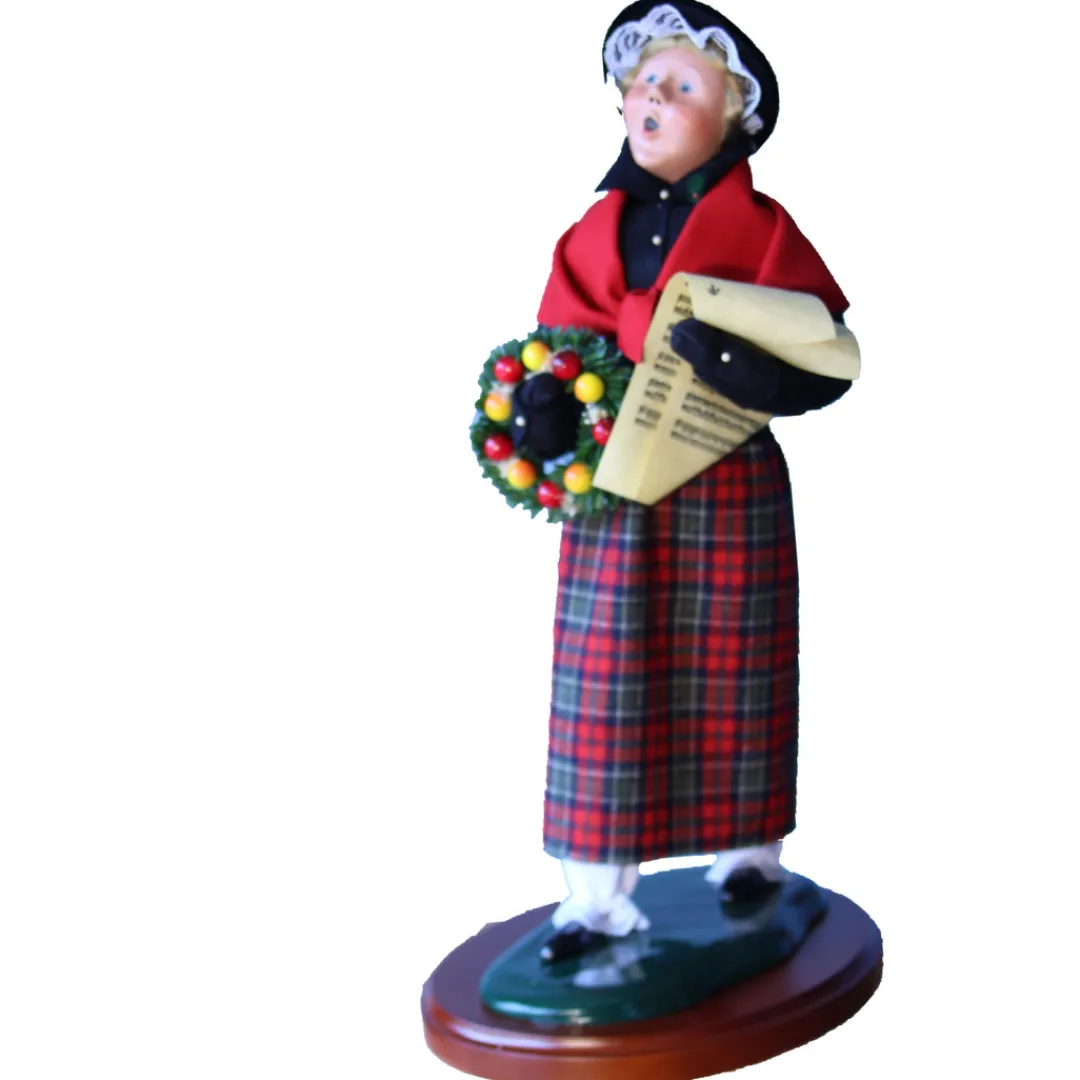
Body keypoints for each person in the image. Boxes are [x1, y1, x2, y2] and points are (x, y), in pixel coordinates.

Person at [527, 1, 854, 962]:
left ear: (735, 115)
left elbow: (825, 355)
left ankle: (750, 856)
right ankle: (593, 897)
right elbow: (556, 341)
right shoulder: (594, 231)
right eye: (644, 82)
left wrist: (759, 376)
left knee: (738, 664)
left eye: (681, 85)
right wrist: (545, 402)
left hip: (727, 469)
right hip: (614, 484)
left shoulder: (763, 229)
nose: (653, 98)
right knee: (603, 680)